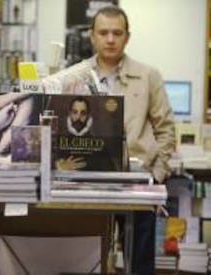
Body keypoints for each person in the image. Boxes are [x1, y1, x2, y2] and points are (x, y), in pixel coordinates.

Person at [43, 6, 175, 274]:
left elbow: (166, 130)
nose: (110, 39)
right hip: (87, 180)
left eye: (117, 33)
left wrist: (157, 175)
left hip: (137, 181)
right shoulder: (73, 77)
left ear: (127, 36)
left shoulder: (148, 75)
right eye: (103, 32)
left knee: (139, 262)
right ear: (92, 36)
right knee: (86, 254)